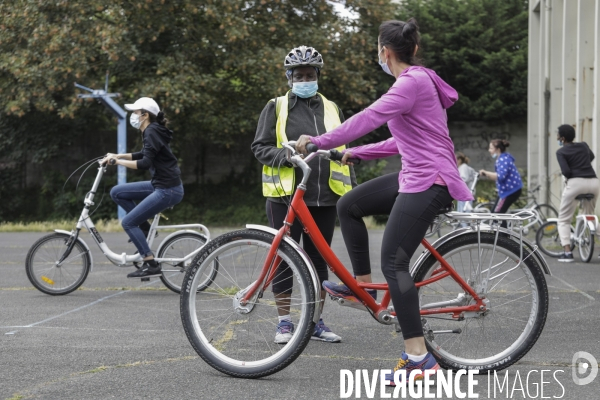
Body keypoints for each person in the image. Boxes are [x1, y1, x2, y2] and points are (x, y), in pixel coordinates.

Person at [296, 19, 473, 384]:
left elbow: (369, 116)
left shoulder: (411, 83)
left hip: (431, 179)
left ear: (385, 52)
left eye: (377, 49)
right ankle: (361, 286)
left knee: (394, 262)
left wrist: (319, 141)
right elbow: (401, 142)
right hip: (416, 173)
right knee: (349, 205)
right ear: (414, 49)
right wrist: (356, 153)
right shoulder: (416, 84)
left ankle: (418, 359)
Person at [251, 46, 355, 344]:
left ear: (318, 76)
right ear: (289, 77)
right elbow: (259, 147)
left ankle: (315, 322)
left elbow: (344, 149)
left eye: (310, 74)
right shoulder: (276, 106)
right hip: (286, 196)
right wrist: (286, 155)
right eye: (300, 75)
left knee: (318, 260)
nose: (305, 79)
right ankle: (284, 323)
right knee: (285, 257)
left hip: (326, 197)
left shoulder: (333, 107)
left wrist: (353, 189)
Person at [102, 97, 184, 279]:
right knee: (117, 192)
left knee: (128, 222)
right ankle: (145, 229)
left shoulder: (152, 131)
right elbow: (143, 154)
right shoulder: (151, 131)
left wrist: (118, 161)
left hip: (168, 189)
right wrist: (118, 155)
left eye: (135, 112)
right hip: (161, 184)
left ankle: (150, 263)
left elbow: (145, 162)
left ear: (145, 115)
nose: (133, 115)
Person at [555, 124, 600, 262]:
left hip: (576, 183)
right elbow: (591, 157)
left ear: (562, 138)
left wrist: (573, 171)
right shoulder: (584, 145)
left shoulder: (561, 152)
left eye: (558, 135)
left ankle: (567, 253)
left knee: (564, 219)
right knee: (590, 216)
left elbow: (566, 172)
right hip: (593, 181)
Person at [479, 139, 523, 227]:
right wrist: (487, 174)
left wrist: (486, 172)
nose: (489, 150)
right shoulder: (503, 158)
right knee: (495, 213)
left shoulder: (503, 159)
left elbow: (500, 176)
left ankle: (504, 238)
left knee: (497, 214)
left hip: (510, 191)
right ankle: (502, 237)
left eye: (491, 148)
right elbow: (498, 177)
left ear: (498, 150)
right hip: (508, 190)